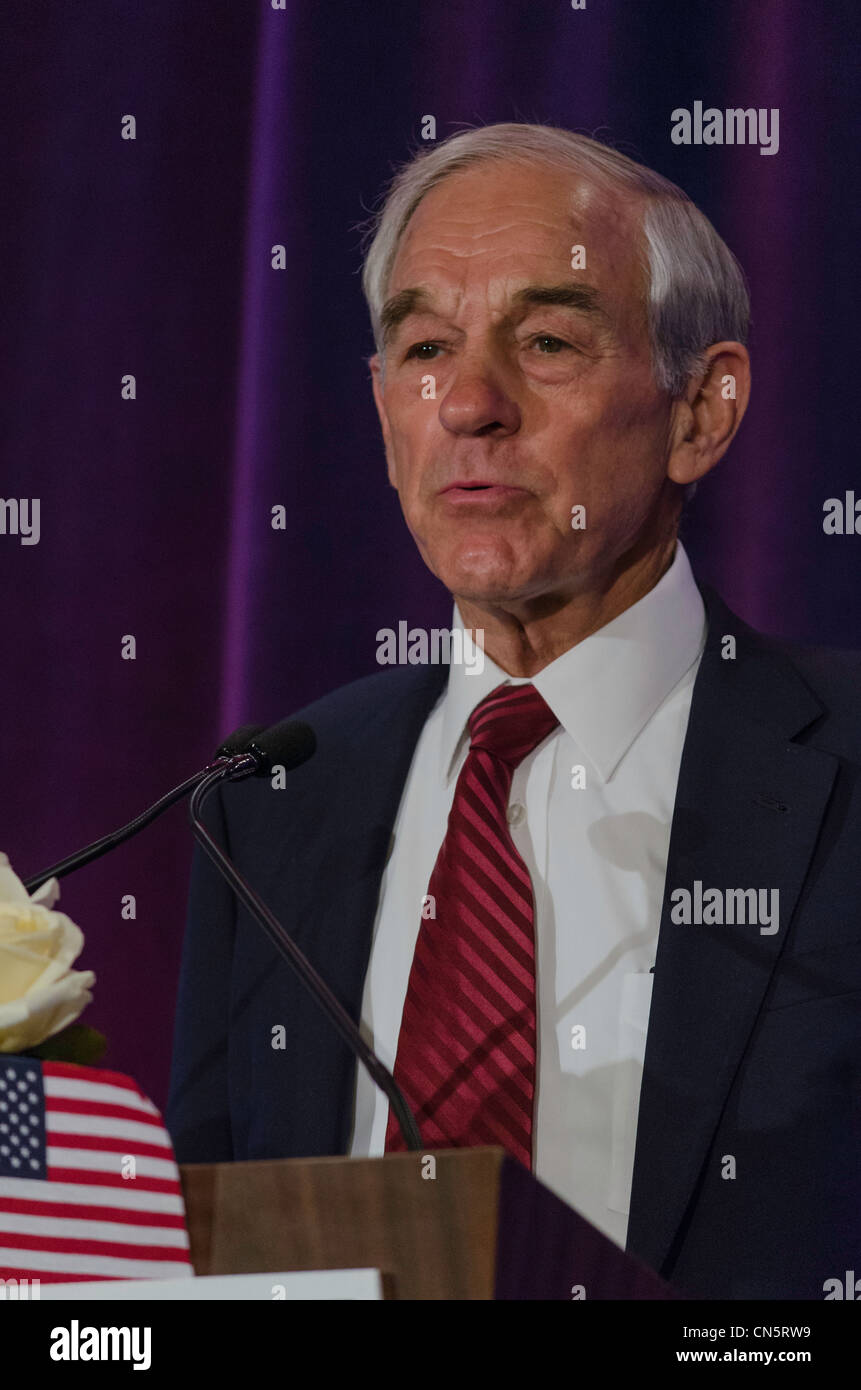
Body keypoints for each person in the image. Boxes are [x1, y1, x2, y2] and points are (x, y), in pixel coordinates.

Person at [166, 124, 861, 1300]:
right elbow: (218, 1263)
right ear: (384, 409)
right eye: (427, 347)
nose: (471, 405)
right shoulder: (270, 800)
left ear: (701, 408)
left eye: (546, 341)